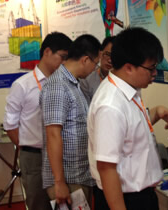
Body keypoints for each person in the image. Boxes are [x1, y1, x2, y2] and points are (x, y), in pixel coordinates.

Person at [87, 27, 168, 210]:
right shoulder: (110, 105)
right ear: (128, 67)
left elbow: (129, 130)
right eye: (151, 68)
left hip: (141, 196)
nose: (155, 73)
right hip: (125, 200)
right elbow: (106, 168)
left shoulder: (129, 89)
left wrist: (156, 112)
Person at [3, 32, 72, 210]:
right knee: (38, 204)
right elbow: (10, 125)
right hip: (35, 156)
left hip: (62, 154)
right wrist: (27, 147)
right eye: (62, 57)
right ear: (47, 52)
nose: (64, 63)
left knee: (65, 204)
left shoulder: (65, 84)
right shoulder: (22, 85)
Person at [40, 34, 102, 206]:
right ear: (85, 60)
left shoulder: (73, 84)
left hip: (79, 175)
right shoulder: (58, 85)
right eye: (95, 63)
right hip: (67, 179)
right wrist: (59, 182)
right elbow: (53, 134)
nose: (95, 69)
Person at [80, 36, 115, 103]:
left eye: (114, 56)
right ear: (100, 54)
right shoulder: (87, 78)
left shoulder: (123, 80)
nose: (110, 60)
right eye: (107, 54)